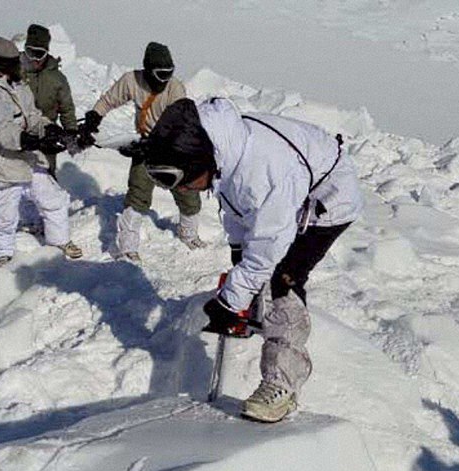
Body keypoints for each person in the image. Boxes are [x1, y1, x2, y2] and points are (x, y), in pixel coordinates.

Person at [141, 98, 363, 422]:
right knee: (252, 264)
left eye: (180, 180)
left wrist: (231, 300)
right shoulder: (221, 149)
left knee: (284, 279)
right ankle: (258, 313)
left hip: (330, 200)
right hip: (289, 190)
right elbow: (235, 204)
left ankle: (281, 386)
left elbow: (267, 244)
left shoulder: (263, 171)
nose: (183, 188)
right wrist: (236, 249)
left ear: (200, 162)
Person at [78, 42, 205, 261]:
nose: (164, 79)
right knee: (138, 193)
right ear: (147, 69)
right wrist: (95, 116)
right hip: (146, 145)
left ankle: (189, 234)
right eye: (160, 74)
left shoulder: (175, 89)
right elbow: (109, 100)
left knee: (188, 193)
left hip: (173, 148)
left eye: (169, 73)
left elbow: (182, 124)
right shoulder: (131, 80)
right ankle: (127, 246)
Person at [0, 37, 83, 264]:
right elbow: (1, 131)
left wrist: (50, 129)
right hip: (0, 163)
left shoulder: (18, 85)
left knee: (55, 198)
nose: (19, 65)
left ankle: (58, 240)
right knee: (3, 218)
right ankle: (1, 255)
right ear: (0, 64)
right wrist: (33, 142)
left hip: (25, 158)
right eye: (14, 62)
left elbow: (31, 115)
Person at [22, 24, 78, 176]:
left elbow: (67, 108)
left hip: (47, 137)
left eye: (39, 54)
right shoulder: (14, 72)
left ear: (47, 53)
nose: (34, 59)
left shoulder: (57, 79)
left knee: (46, 178)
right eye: (30, 52)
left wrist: (71, 132)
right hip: (19, 136)